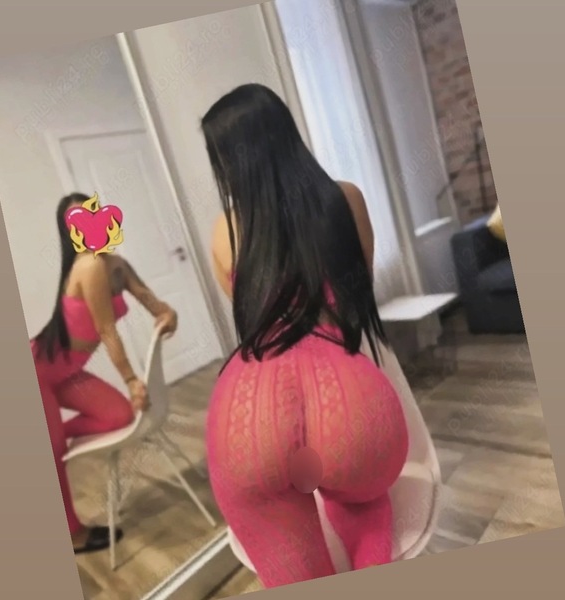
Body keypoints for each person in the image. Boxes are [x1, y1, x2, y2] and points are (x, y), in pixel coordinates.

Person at [202, 83, 409, 588]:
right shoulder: (345, 199)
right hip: (345, 401)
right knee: (364, 503)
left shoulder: (225, 231)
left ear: (227, 161)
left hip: (248, 417)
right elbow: (357, 293)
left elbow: (254, 319)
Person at [30, 192, 178, 555]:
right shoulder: (89, 266)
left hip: (68, 373)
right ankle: (72, 533)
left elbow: (149, 300)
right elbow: (107, 330)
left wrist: (166, 313)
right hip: (38, 373)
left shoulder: (117, 265)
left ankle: (53, 436)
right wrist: (131, 380)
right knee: (53, 453)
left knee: (118, 415)